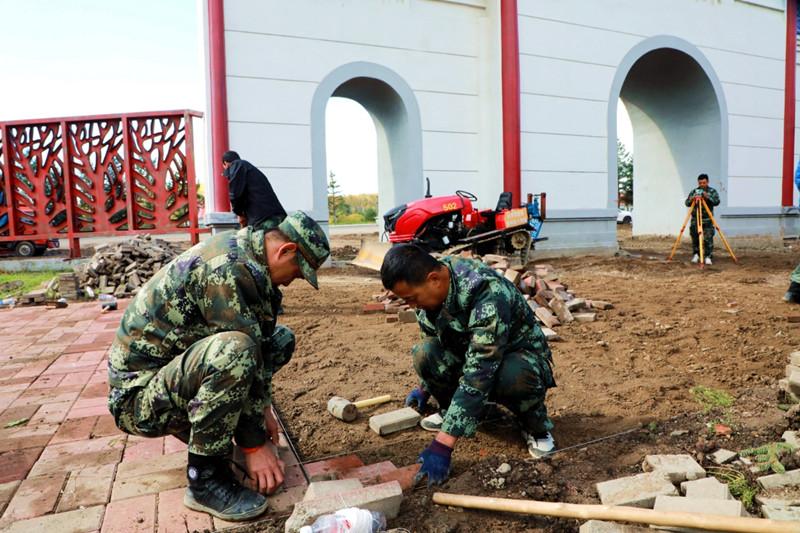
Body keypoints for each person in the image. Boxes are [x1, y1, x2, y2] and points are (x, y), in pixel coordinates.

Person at [107, 212, 329, 521]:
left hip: (171, 375)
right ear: (286, 250)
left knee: (279, 341)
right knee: (234, 352)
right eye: (297, 271)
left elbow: (259, 346)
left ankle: (219, 438)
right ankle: (204, 480)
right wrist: (254, 446)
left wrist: (263, 408)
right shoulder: (227, 269)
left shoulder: (250, 260)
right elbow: (239, 353)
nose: (293, 281)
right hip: (138, 400)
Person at [380, 244, 556, 486]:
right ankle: (454, 411)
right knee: (425, 352)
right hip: (475, 356)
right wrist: (424, 388)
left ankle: (534, 426)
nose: (412, 305)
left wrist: (443, 445)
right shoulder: (431, 293)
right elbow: (434, 339)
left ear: (434, 280)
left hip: (518, 359)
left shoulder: (486, 291)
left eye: (411, 298)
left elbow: (481, 368)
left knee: (512, 374)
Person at [222, 151, 287, 230]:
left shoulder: (238, 165)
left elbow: (235, 195)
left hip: (264, 219)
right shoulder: (249, 169)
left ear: (225, 163)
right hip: (276, 216)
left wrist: (239, 213)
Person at [684, 173, 720, 265]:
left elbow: (717, 202)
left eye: (704, 183)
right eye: (700, 183)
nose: (702, 185)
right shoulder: (694, 191)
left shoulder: (712, 191)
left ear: (707, 182)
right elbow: (687, 203)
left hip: (707, 219)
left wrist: (707, 197)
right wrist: (692, 199)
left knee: (708, 238)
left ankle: (708, 256)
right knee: (695, 238)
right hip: (696, 219)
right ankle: (696, 254)